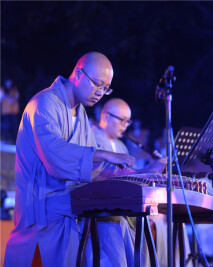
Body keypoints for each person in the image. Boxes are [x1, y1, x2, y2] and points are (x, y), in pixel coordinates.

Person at [4, 52, 137, 266]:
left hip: (68, 203)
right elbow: (56, 155)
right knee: (111, 221)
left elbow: (92, 169)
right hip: (42, 208)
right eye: (97, 84)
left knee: (118, 219)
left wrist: (135, 176)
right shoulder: (44, 103)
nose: (100, 93)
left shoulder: (80, 114)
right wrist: (102, 154)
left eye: (106, 88)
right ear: (77, 73)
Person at [92, 98, 191, 267]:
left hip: (125, 202)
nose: (125, 125)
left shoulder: (121, 146)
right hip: (107, 202)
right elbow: (110, 176)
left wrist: (154, 169)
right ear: (106, 116)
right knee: (153, 221)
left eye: (127, 121)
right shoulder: (92, 138)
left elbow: (131, 176)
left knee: (173, 220)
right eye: (121, 120)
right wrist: (151, 169)